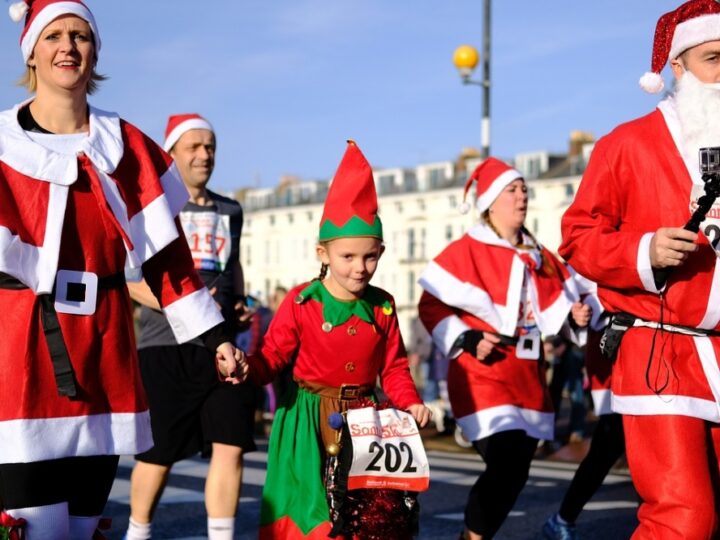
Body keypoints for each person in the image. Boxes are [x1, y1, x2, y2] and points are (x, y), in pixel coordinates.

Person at [0, 2, 244, 539]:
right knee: (32, 527)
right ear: (33, 53)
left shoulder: (125, 146)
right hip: (24, 352)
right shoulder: (2, 146)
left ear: (95, 54)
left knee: (85, 525)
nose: (68, 46)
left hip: (105, 349)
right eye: (55, 36)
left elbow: (167, 258)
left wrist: (216, 338)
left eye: (81, 36)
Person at [560, 1, 720, 536]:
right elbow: (578, 239)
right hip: (661, 350)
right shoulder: (626, 144)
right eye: (713, 59)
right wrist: (644, 251)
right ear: (677, 67)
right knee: (684, 519)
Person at [241, 141, 431, 539]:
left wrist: (409, 401)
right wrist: (247, 368)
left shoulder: (384, 307)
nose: (361, 268)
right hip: (307, 422)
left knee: (363, 520)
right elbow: (273, 356)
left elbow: (394, 366)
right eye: (348, 257)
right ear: (323, 253)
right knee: (311, 519)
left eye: (370, 257)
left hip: (364, 423)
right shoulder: (302, 301)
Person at [417, 157, 591, 540]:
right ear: (490, 201)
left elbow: (554, 311)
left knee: (517, 470)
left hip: (528, 373)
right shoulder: (468, 250)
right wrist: (466, 337)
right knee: (507, 460)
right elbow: (430, 304)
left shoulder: (541, 256)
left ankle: (473, 535)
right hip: (483, 373)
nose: (522, 195)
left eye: (524, 188)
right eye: (512, 189)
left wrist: (573, 318)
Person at [125, 114, 256, 540]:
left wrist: (239, 304)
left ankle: (221, 536)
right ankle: (138, 532)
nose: (205, 155)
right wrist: (184, 308)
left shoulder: (230, 209)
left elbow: (232, 266)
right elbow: (130, 281)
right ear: (172, 154)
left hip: (223, 346)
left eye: (211, 147)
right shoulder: (151, 208)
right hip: (166, 345)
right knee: (158, 453)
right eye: (194, 147)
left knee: (231, 443)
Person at [545, 334, 586, 444]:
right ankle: (548, 430)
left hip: (572, 349)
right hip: (563, 349)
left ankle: (576, 430)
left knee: (574, 392)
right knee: (555, 392)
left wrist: (551, 342)